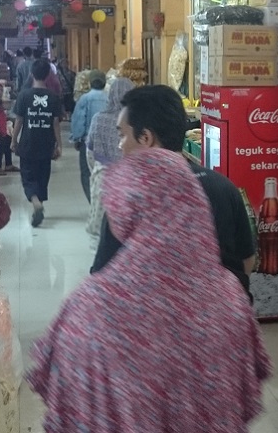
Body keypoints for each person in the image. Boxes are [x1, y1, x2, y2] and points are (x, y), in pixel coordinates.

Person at [27, 149, 272, 432]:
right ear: (193, 203)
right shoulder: (231, 299)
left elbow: (69, 406)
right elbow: (243, 392)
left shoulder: (86, 311)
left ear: (124, 209)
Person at [91, 85, 256, 296]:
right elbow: (247, 260)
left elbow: (103, 278)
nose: (120, 146)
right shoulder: (224, 187)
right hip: (225, 320)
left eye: (123, 135)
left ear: (145, 138)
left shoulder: (128, 200)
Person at [11, 58, 62, 227]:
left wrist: (14, 140)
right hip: (46, 144)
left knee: (28, 176)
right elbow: (55, 122)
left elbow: (19, 121)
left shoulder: (24, 95)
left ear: (32, 74)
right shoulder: (53, 97)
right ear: (48, 75)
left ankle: (35, 202)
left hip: (28, 143)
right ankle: (39, 205)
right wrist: (59, 145)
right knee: (42, 176)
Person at [84, 78, 134, 250]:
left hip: (103, 178)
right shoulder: (135, 122)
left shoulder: (99, 119)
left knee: (100, 227)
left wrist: (97, 170)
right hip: (130, 180)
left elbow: (89, 151)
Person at [70, 70, 108, 203]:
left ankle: (93, 201)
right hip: (107, 142)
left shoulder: (84, 99)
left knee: (87, 172)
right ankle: (104, 201)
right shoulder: (110, 98)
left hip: (88, 142)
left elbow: (79, 120)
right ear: (105, 83)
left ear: (90, 83)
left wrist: (76, 138)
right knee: (105, 172)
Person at [0, 82, 17, 175]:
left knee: (8, 139)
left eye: (1, 91)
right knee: (0, 141)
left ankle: (8, 164)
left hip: (0, 130)